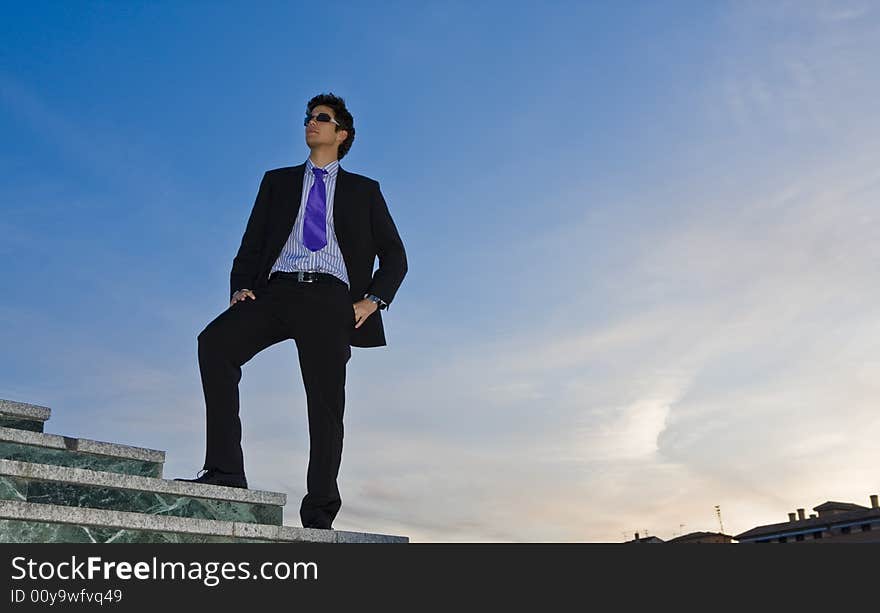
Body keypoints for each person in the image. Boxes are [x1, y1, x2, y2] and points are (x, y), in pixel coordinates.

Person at [176, 93, 408, 530]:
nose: (311, 124)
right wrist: (241, 287)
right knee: (214, 344)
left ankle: (318, 515)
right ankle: (226, 472)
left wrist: (372, 301)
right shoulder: (277, 182)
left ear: (341, 135)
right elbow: (251, 242)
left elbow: (396, 256)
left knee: (325, 406)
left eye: (322, 119)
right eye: (308, 118)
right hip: (276, 291)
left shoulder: (364, 191)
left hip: (330, 299)